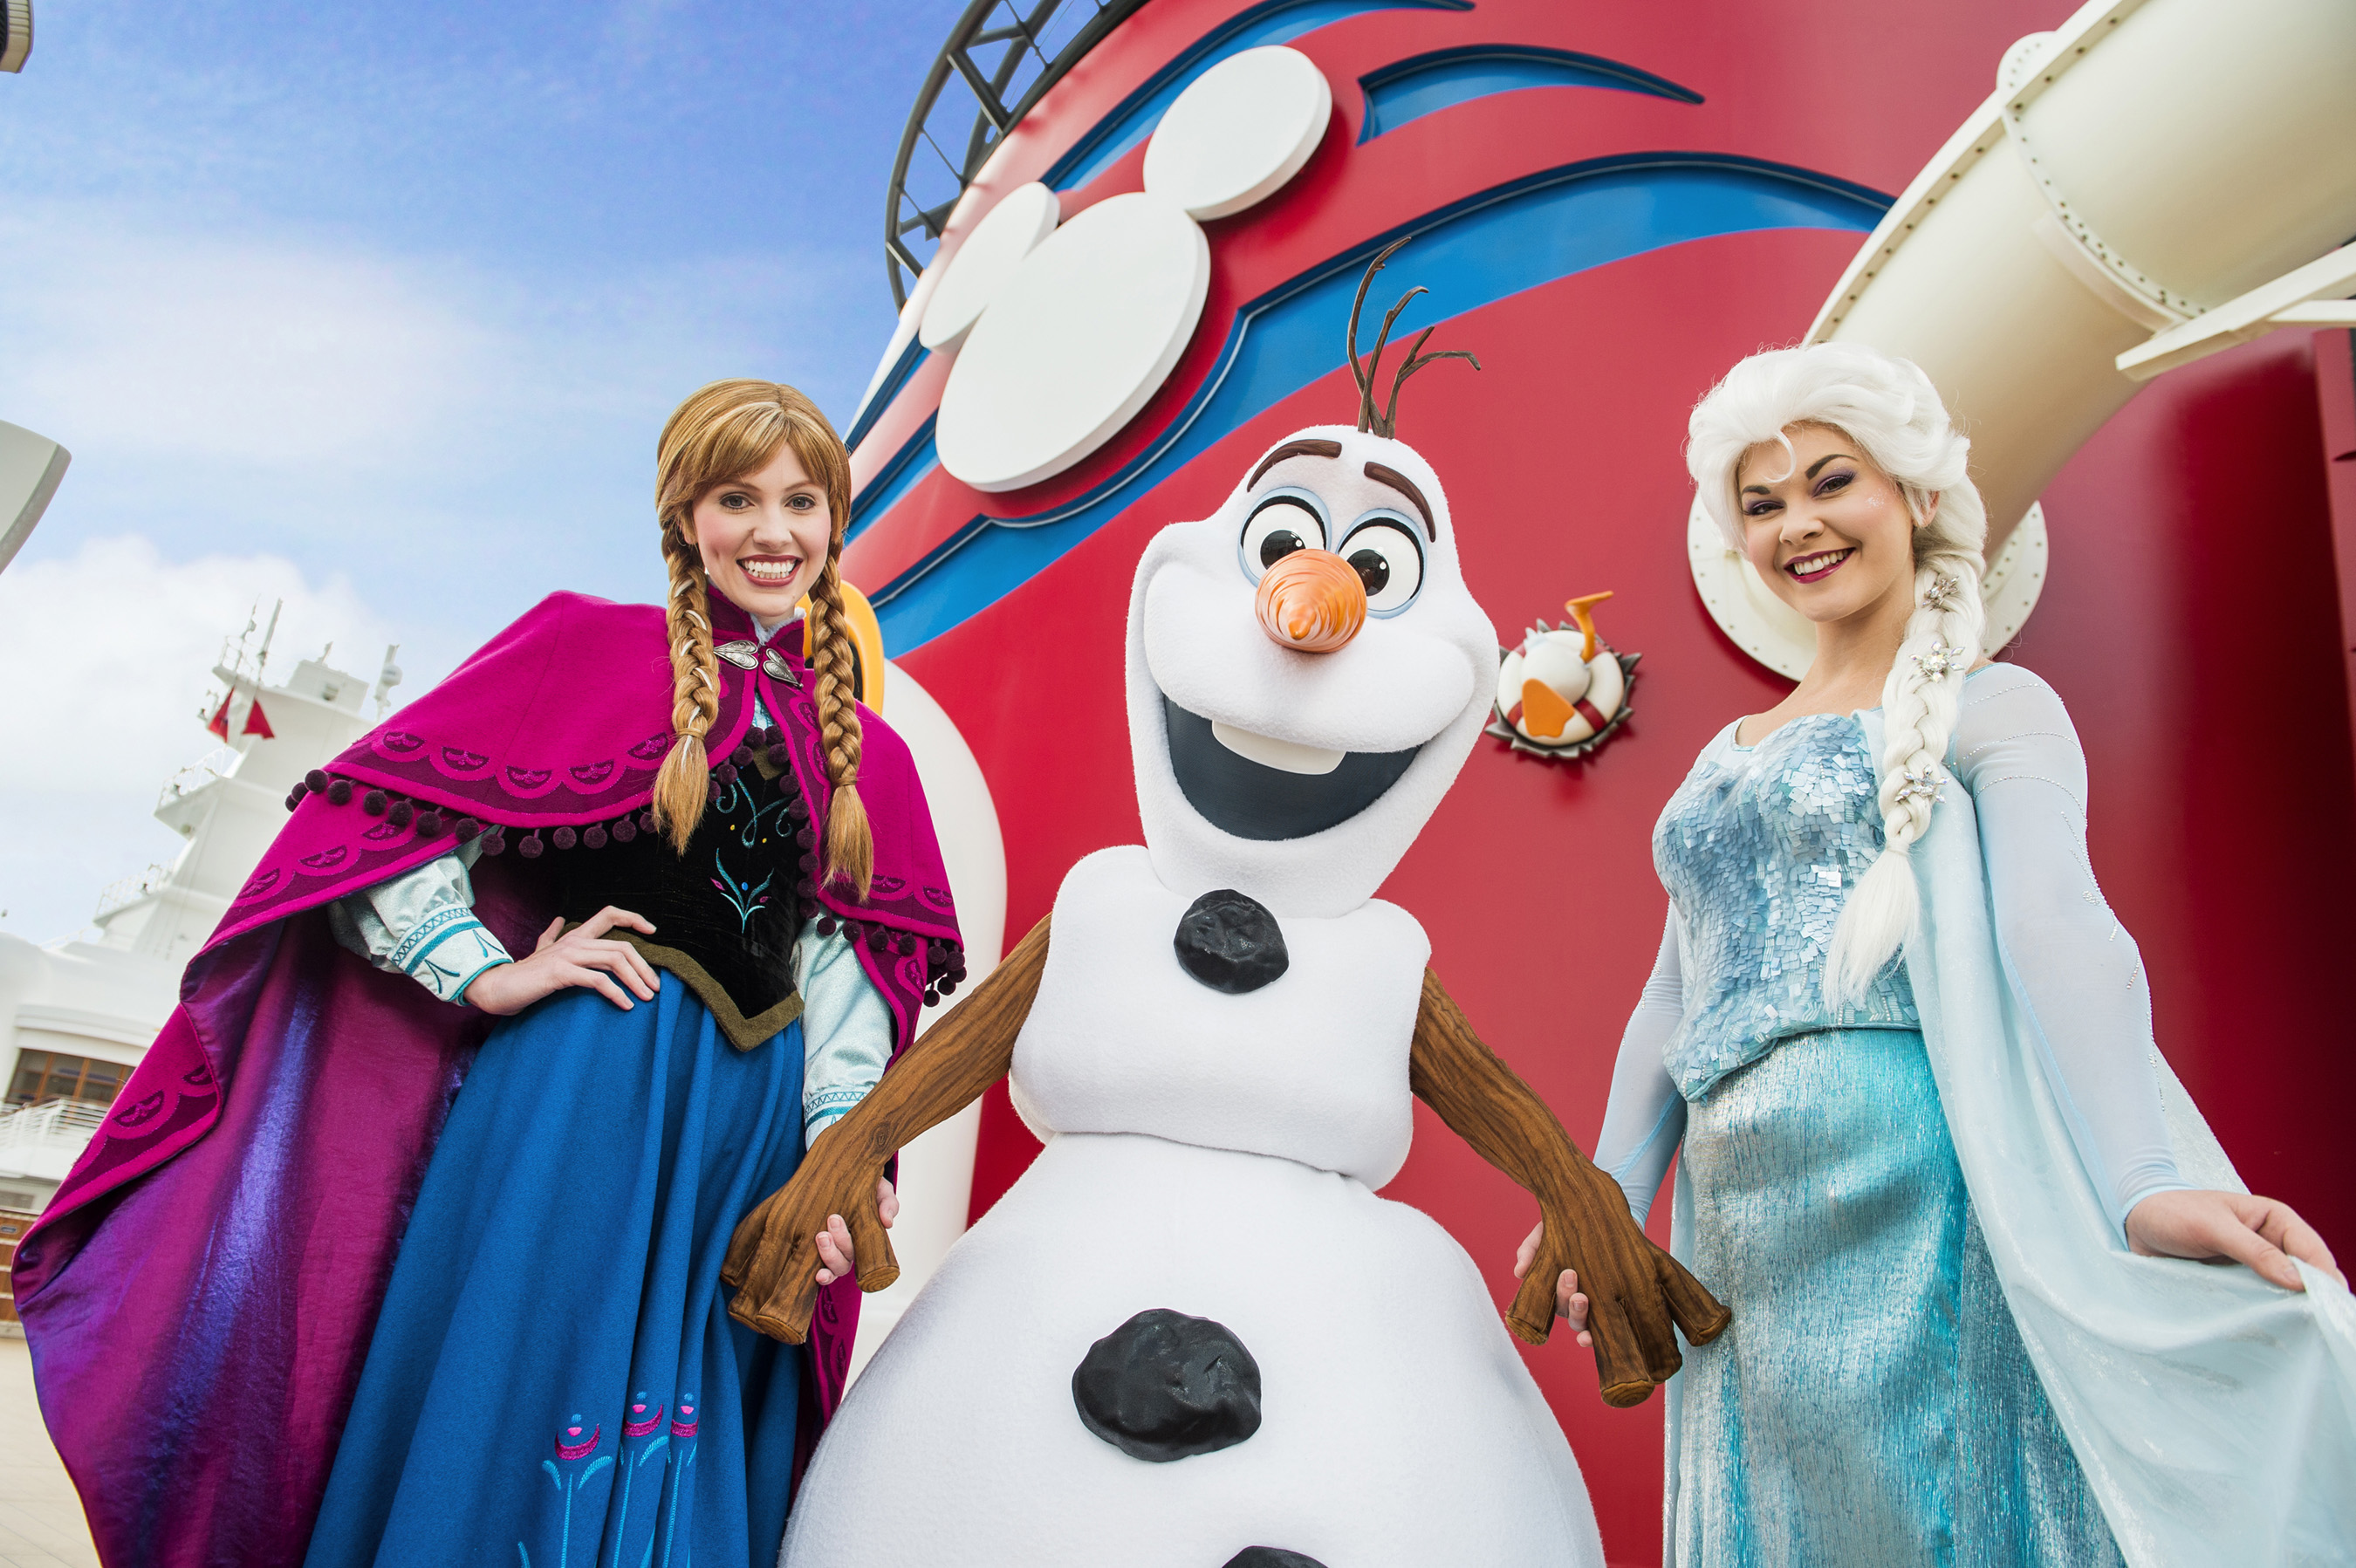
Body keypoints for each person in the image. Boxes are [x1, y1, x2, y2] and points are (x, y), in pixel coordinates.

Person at [13, 380, 966, 1568]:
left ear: (832, 521)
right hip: (578, 1086)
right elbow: (369, 827)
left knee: (701, 1403)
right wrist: (484, 973)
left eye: (801, 500)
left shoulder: (869, 751)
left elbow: (841, 982)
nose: (773, 530)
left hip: (750, 1127)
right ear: (685, 516)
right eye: (737, 497)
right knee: (524, 1372)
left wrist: (841, 1147)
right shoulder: (585, 645)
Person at [1517, 343, 2349, 1566]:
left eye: (1830, 482)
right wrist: (1597, 1190)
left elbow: (2060, 929)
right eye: (1762, 503)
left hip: (1912, 1188)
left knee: (1938, 1505)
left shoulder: (1994, 708)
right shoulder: (1722, 755)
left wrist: (2142, 1181)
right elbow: (1673, 996)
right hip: (1737, 1230)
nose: (1797, 523)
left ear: (1912, 492)